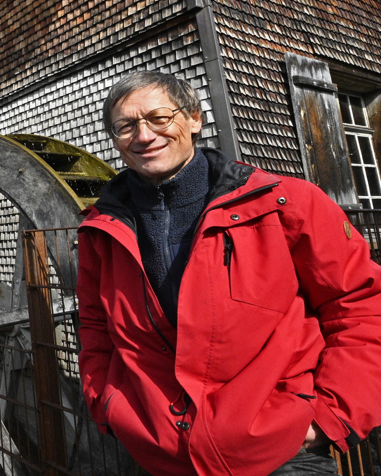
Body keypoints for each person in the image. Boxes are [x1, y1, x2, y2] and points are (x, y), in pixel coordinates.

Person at [77, 71, 381, 475]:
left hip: (280, 449)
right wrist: (109, 405)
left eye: (158, 118)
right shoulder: (102, 231)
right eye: (126, 125)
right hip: (162, 454)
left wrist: (328, 416)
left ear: (194, 119)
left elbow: (360, 306)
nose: (144, 135)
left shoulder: (284, 204)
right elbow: (95, 326)